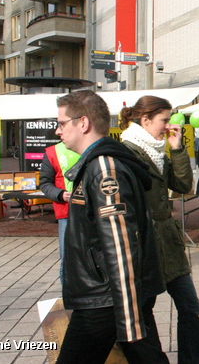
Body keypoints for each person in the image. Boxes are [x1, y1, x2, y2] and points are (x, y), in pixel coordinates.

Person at [54, 90, 168, 364]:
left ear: (83, 123)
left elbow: (121, 245)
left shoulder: (105, 170)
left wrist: (128, 318)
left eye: (61, 123)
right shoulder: (98, 164)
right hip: (112, 295)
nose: (57, 131)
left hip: (105, 299)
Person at [119, 96, 199, 363]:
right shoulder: (128, 151)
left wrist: (176, 149)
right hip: (144, 243)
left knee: (190, 307)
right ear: (145, 120)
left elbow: (183, 186)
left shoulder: (157, 149)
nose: (168, 126)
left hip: (169, 241)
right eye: (164, 120)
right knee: (145, 309)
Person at [39, 141, 79, 284]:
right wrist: (60, 194)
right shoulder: (52, 152)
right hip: (66, 212)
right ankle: (68, 296)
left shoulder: (93, 146)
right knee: (67, 258)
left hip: (93, 211)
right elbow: (45, 183)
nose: (59, 131)